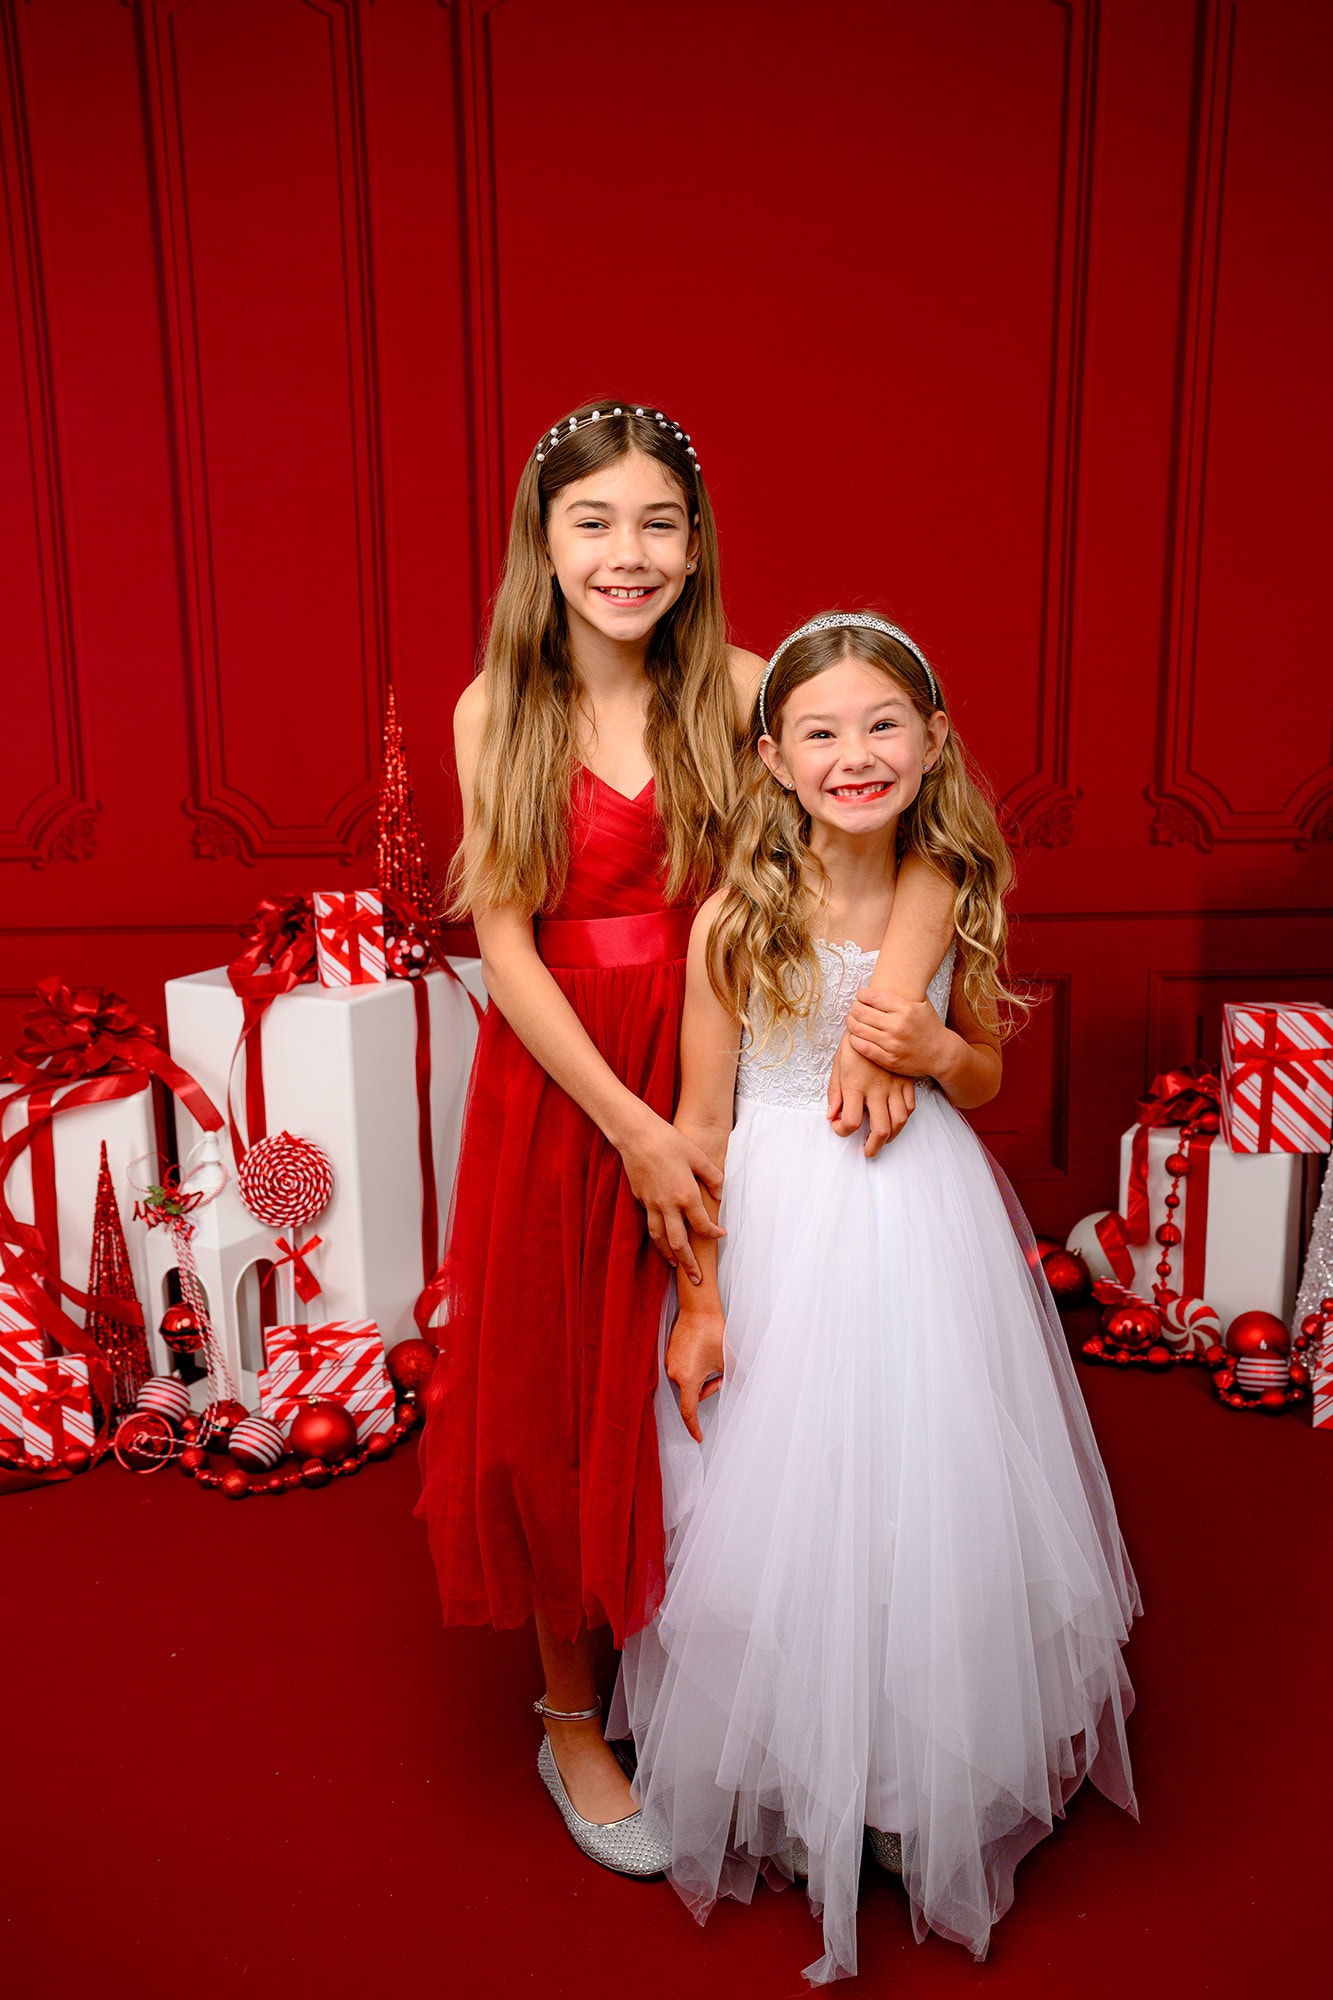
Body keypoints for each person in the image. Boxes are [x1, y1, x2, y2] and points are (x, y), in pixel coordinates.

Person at [417, 411, 951, 1876]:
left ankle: (729, 1678)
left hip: (734, 1061)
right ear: (545, 541)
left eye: (657, 523)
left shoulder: (741, 687)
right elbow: (506, 950)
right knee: (561, 1379)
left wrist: (890, 1007)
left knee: (730, 1374)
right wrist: (632, 1128)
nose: (626, 554)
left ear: (696, 544)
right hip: (573, 1079)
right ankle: (570, 1715)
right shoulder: (493, 710)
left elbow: (892, 844)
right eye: (592, 522)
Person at [613, 612, 1140, 1976]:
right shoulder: (735, 920)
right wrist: (701, 1299)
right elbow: (705, 1126)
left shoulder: (950, 885)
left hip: (919, 1223)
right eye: (821, 733)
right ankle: (797, 1771)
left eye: (882, 725)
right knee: (785, 1500)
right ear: (773, 760)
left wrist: (935, 1047)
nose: (855, 753)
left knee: (923, 1489)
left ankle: (916, 1775)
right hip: (781, 1221)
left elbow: (982, 1084)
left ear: (934, 743)